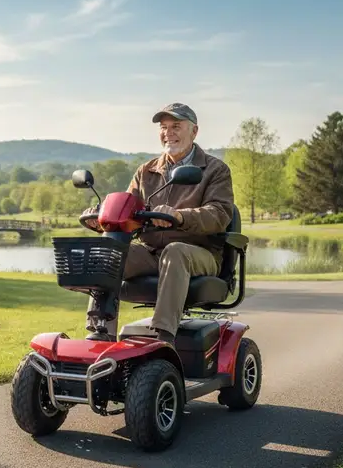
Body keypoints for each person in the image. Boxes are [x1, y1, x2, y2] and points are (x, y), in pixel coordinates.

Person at [83, 102, 235, 344]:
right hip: (151, 251)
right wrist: (103, 219)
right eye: (164, 127)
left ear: (194, 131)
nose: (168, 132)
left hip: (199, 253)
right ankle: (100, 332)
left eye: (176, 126)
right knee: (110, 250)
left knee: (175, 251)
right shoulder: (146, 171)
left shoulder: (215, 170)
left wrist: (180, 216)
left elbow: (219, 214)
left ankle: (164, 338)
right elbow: (128, 212)